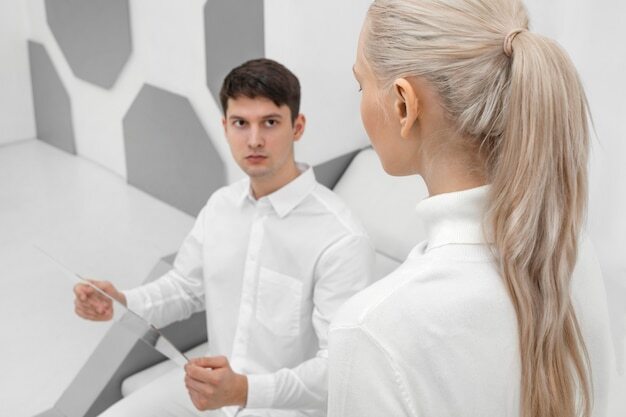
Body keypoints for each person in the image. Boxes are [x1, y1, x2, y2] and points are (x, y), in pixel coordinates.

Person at [328, 1, 612, 417]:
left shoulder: (371, 331)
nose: (361, 101)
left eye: (362, 84)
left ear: (404, 105)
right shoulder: (572, 253)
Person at [74, 58, 374, 417]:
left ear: (297, 127)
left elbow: (337, 370)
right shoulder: (221, 206)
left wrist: (246, 390)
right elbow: (185, 287)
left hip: (285, 406)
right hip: (213, 388)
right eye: (240, 124)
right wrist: (121, 300)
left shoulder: (340, 238)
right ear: (225, 126)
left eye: (270, 123)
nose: (255, 140)